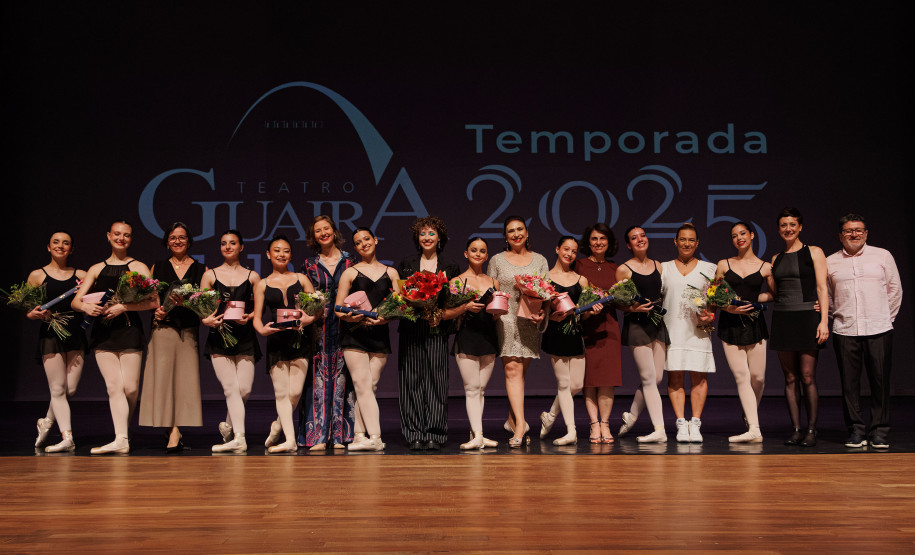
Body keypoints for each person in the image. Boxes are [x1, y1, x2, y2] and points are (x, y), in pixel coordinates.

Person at [72, 220, 157, 455]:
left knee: (130, 389)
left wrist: (124, 306)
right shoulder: (96, 268)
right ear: (108, 235)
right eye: (117, 234)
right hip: (103, 332)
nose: (121, 238)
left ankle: (123, 432)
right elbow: (76, 301)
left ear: (131, 239)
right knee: (114, 386)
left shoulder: (138, 266)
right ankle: (121, 439)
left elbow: (153, 301)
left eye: (126, 235)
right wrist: (86, 307)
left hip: (130, 330)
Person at [827, 214, 901, 449]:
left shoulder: (883, 256)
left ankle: (879, 431)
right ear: (841, 236)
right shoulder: (830, 261)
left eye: (858, 230)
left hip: (879, 328)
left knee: (880, 382)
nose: (854, 234)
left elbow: (894, 290)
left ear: (866, 233)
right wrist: (838, 314)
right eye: (849, 231)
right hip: (845, 329)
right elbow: (827, 296)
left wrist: (884, 317)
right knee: (849, 385)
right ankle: (856, 431)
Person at [139, 222, 206, 453]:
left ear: (189, 241)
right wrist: (156, 310)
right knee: (163, 380)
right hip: (163, 329)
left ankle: (176, 428)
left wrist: (187, 303)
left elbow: (205, 305)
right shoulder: (157, 267)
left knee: (185, 382)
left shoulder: (201, 269)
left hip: (188, 330)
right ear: (167, 242)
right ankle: (172, 429)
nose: (177, 241)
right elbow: (150, 299)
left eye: (182, 237)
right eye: (173, 238)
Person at [335, 227, 402, 452]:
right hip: (354, 334)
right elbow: (338, 308)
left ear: (375, 240)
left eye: (367, 239)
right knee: (362, 385)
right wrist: (351, 317)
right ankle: (375, 437)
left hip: (379, 335)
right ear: (355, 248)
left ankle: (358, 435)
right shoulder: (350, 273)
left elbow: (401, 305)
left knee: (370, 386)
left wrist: (385, 318)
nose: (363, 244)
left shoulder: (391, 273)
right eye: (358, 242)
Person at [767, 207, 830, 447]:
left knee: (807, 375)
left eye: (792, 224)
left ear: (800, 227)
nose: (788, 229)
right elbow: (775, 293)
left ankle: (811, 429)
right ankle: (796, 429)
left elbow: (822, 288)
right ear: (778, 229)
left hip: (807, 318)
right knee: (790, 377)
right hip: (783, 319)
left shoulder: (814, 252)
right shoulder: (776, 259)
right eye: (783, 225)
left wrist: (824, 321)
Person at [397, 216, 460, 450]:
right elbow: (400, 296)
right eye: (422, 233)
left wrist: (439, 313)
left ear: (439, 238)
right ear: (417, 238)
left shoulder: (450, 265)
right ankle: (414, 432)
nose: (427, 237)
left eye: (431, 233)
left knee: (437, 380)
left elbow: (453, 299)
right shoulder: (407, 263)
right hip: (412, 327)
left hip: (436, 328)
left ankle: (434, 433)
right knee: (410, 381)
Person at [487, 215, 549, 448]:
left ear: (527, 232)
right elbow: (491, 291)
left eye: (520, 229)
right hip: (505, 320)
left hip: (529, 320)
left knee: (520, 374)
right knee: (512, 370)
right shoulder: (497, 260)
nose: (516, 234)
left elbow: (546, 293)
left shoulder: (540, 260)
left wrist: (542, 313)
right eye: (511, 231)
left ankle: (512, 421)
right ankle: (521, 425)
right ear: (505, 235)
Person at [252, 235, 317, 454]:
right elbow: (257, 318)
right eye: (277, 250)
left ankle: (278, 425)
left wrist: (308, 319)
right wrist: (262, 330)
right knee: (281, 393)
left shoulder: (302, 279)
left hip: (300, 340)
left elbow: (317, 308)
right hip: (277, 341)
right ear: (268, 254)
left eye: (286, 251)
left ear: (291, 254)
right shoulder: (262, 284)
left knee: (295, 393)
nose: (282, 254)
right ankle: (290, 440)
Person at [200, 230, 262, 454]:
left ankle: (227, 425)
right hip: (219, 337)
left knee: (243, 389)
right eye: (223, 243)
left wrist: (250, 316)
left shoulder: (253, 276)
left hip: (245, 337)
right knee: (230, 388)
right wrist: (206, 320)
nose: (228, 247)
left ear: (241, 247)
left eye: (232, 243)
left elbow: (259, 308)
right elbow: (202, 307)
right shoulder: (210, 275)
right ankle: (239, 438)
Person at [298, 216, 356, 451]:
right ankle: (317, 436)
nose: (323, 233)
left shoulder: (350, 261)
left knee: (343, 378)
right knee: (318, 379)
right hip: (319, 328)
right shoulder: (309, 264)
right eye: (318, 230)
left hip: (345, 326)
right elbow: (304, 297)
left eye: (327, 228)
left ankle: (341, 435)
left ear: (334, 231)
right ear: (313, 236)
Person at [27, 231, 88, 453]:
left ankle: (46, 421)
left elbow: (91, 300)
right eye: (56, 242)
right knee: (57, 388)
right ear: (48, 246)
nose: (60, 246)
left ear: (71, 249)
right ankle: (67, 437)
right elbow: (29, 309)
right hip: (51, 334)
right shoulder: (37, 275)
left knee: (69, 389)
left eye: (66, 243)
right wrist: (33, 314)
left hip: (75, 333)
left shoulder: (82, 275)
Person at [538, 236, 602, 446]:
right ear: (557, 249)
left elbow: (583, 314)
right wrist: (550, 317)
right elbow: (543, 311)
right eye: (566, 249)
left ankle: (550, 416)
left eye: (574, 251)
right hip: (556, 333)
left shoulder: (581, 280)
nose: (570, 254)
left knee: (576, 385)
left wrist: (592, 311)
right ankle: (571, 431)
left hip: (575, 334)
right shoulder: (546, 278)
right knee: (564, 384)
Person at [715, 222, 772, 443]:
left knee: (758, 378)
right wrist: (728, 307)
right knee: (742, 376)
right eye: (734, 235)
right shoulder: (724, 264)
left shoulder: (765, 267)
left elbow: (774, 294)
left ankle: (750, 416)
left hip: (755, 323)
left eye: (742, 233)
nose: (739, 238)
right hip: (730, 324)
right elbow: (714, 295)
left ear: (752, 235)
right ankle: (755, 429)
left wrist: (752, 299)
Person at [661, 223, 716, 443]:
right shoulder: (664, 268)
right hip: (672, 330)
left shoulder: (709, 268)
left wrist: (710, 314)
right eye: (682, 239)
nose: (686, 243)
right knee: (675, 377)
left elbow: (714, 300)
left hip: (698, 331)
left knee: (699, 377)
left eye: (691, 240)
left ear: (697, 243)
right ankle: (681, 424)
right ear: (675, 241)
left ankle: (695, 423)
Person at [445, 237, 500, 450]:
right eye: (474, 250)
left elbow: (495, 315)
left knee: (481, 389)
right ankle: (477, 435)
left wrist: (498, 311)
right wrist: (465, 307)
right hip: (467, 336)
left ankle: (477, 434)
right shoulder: (457, 281)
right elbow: (447, 313)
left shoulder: (493, 282)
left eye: (482, 251)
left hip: (488, 337)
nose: (478, 254)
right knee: (472, 388)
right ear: (466, 254)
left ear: (486, 256)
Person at [616, 226, 669, 443]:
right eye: (634, 238)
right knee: (648, 378)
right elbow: (618, 301)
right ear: (629, 245)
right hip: (637, 325)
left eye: (643, 235)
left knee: (656, 378)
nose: (640, 239)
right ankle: (659, 430)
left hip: (657, 323)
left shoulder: (658, 265)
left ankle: (631, 415)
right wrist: (633, 308)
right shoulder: (624, 269)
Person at [574, 223, 622, 444]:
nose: (598, 242)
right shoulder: (579, 265)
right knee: (590, 379)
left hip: (609, 327)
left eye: (603, 238)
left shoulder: (615, 268)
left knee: (607, 379)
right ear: (588, 242)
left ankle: (606, 423)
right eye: (594, 238)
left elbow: (621, 300)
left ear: (609, 242)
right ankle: (594, 423)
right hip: (587, 327)